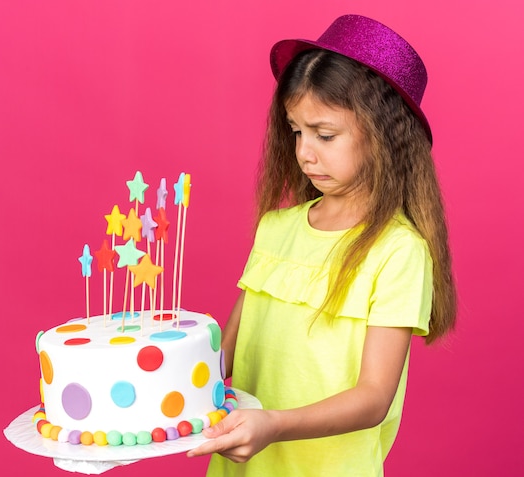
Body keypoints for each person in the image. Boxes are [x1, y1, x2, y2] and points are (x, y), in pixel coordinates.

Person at [187, 14, 456, 477]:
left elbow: (373, 398)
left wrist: (272, 425)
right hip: (240, 468)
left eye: (325, 134)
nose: (304, 152)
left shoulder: (398, 252)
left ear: (386, 137)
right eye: (296, 131)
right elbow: (222, 356)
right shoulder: (276, 228)